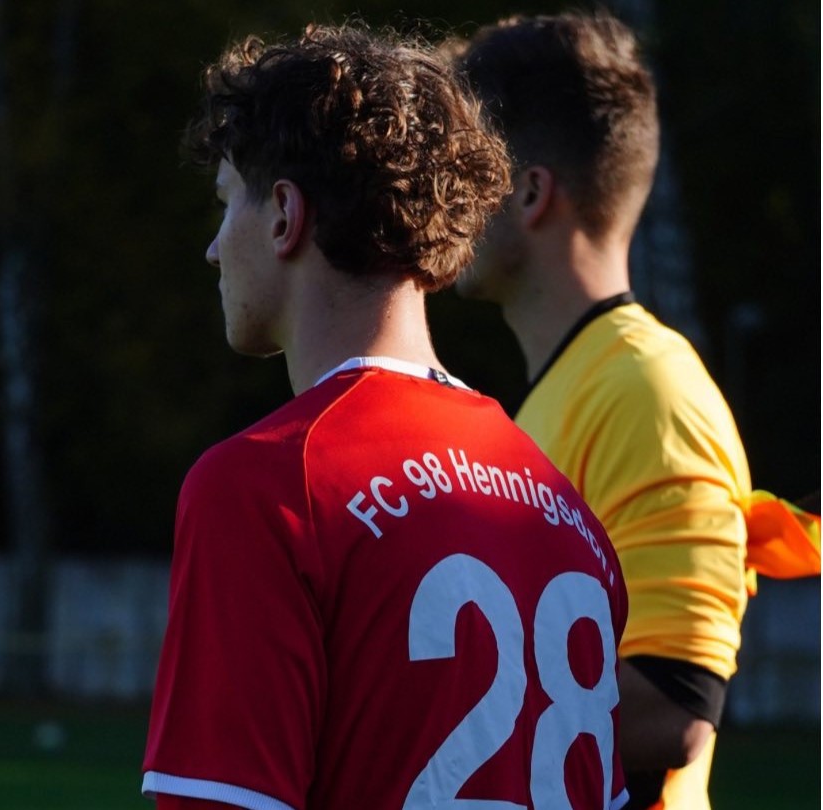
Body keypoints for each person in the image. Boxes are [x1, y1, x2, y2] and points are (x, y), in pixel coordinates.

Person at [142, 22, 630, 810]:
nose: (213, 248)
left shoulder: (267, 490)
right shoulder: (568, 514)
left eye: (228, 203)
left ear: (284, 216)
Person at [445, 12, 819, 810]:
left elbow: (675, 705)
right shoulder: (570, 391)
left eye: (470, 171)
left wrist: (413, 725)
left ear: (531, 192)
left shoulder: (647, 391)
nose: (450, 198)